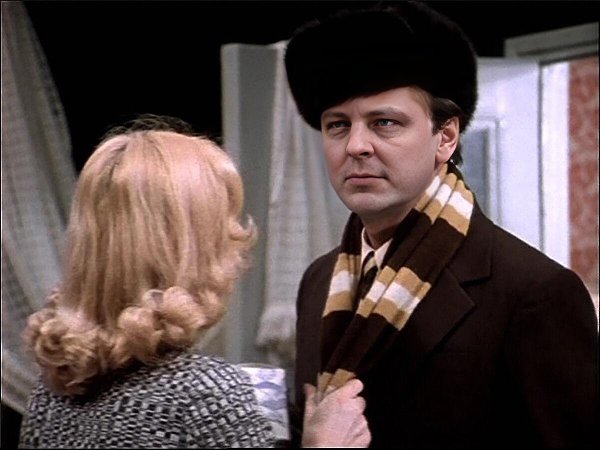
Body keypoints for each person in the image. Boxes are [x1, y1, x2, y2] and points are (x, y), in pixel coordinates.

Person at [284, 2, 598, 449]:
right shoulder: (319, 280)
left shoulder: (533, 293)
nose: (356, 145)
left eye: (384, 123)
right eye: (337, 125)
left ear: (446, 137)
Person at [18, 115, 370, 448]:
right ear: (195, 248)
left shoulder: (51, 393)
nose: (235, 238)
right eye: (225, 220)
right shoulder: (209, 394)